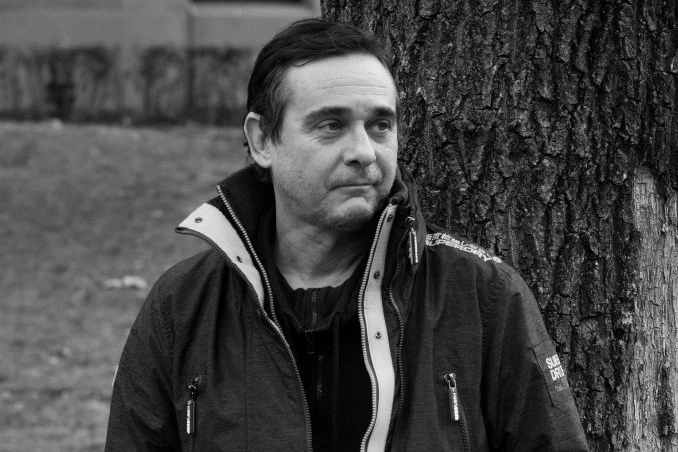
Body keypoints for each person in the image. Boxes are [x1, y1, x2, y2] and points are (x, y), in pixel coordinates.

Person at [105, 18, 589, 452]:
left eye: (380, 125)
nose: (364, 151)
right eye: (331, 125)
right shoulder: (182, 306)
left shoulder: (482, 297)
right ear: (262, 140)